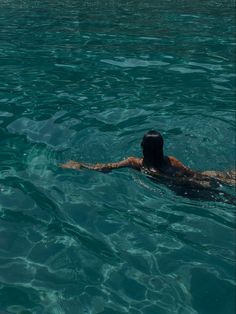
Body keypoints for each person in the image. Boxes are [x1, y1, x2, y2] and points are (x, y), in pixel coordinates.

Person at [60, 130, 236, 189]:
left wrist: (80, 165)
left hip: (180, 188)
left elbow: (105, 167)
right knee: (214, 178)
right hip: (187, 180)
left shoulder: (134, 163)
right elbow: (194, 175)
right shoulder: (172, 160)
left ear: (143, 146)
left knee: (224, 198)